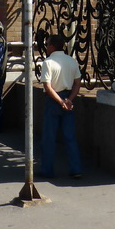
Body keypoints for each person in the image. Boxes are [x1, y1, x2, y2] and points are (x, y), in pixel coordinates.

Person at [39, 33, 82, 179]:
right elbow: (77, 83)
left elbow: (48, 86)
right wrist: (69, 100)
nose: (46, 47)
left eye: (47, 44)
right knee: (70, 136)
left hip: (53, 101)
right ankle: (76, 169)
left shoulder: (48, 62)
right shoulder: (72, 61)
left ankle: (47, 170)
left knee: (49, 137)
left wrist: (60, 101)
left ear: (51, 46)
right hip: (68, 98)